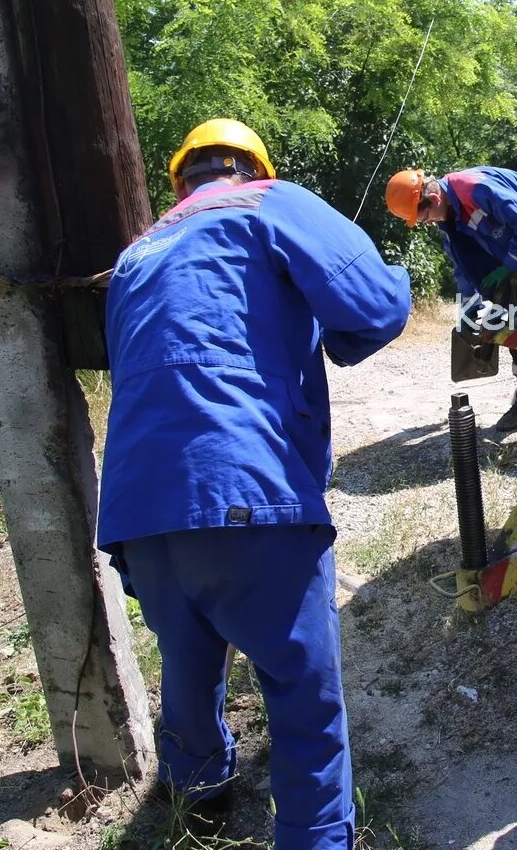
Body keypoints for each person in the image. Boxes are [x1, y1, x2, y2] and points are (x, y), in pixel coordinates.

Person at [99, 118, 412, 848]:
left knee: (188, 658)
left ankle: (198, 795)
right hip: (250, 491)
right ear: (250, 168)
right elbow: (377, 308)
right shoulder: (267, 200)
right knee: (304, 697)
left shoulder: (136, 252)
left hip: (139, 509)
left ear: (180, 182)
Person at [385, 165, 517, 430]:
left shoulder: (474, 189)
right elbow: (462, 267)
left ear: (434, 199)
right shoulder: (449, 221)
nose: (428, 223)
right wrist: (469, 308)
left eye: (424, 218)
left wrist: (509, 266)